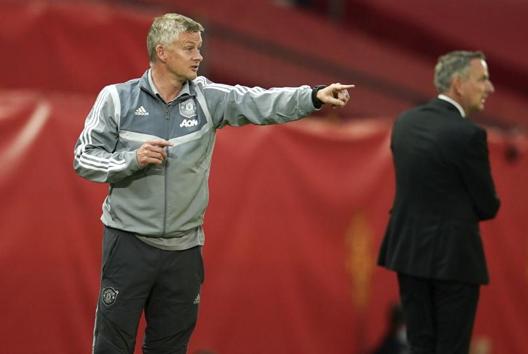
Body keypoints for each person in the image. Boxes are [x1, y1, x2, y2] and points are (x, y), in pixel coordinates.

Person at [73, 13, 353, 354]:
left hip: (184, 251)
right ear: (162, 52)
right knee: (110, 347)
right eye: (189, 48)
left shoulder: (208, 97)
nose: (198, 56)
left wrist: (312, 96)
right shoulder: (116, 99)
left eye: (199, 48)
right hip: (128, 243)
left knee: (170, 349)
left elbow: (259, 101)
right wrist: (131, 160)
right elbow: (83, 157)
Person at [377, 50, 500, 354]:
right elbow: (488, 205)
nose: (490, 87)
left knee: (420, 346)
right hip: (455, 260)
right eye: (482, 78)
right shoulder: (469, 134)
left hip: (408, 253)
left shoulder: (404, 123)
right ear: (458, 84)